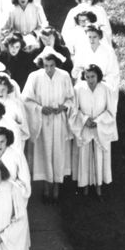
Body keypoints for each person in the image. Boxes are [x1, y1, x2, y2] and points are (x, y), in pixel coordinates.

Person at [22, 48, 75, 203]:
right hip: (43, 121)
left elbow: (72, 98)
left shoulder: (64, 76)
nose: (49, 69)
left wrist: (63, 107)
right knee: (45, 152)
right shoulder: (35, 77)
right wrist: (40, 108)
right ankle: (46, 187)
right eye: (46, 65)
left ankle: (57, 186)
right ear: (42, 64)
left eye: (52, 65)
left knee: (58, 153)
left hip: (58, 120)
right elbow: (26, 99)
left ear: (56, 64)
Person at [70, 64, 117, 198]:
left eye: (93, 76)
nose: (90, 79)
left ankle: (98, 186)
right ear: (84, 77)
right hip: (84, 126)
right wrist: (85, 119)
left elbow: (111, 110)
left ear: (98, 76)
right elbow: (74, 109)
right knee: (84, 155)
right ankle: (84, 186)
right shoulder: (78, 89)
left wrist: (97, 121)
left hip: (100, 127)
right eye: (87, 76)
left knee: (99, 155)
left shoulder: (106, 88)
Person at [71, 24, 120, 93]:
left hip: (103, 83)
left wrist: (103, 80)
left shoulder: (108, 51)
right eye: (89, 37)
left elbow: (113, 72)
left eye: (94, 37)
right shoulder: (81, 50)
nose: (92, 40)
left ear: (99, 37)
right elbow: (75, 71)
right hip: (85, 83)